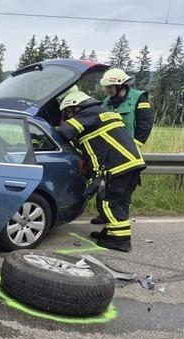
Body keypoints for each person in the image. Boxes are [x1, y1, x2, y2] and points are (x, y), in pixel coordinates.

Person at [57, 90, 145, 252]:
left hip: (117, 167)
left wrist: (54, 127)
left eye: (68, 112)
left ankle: (120, 241)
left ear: (75, 107)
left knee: (109, 203)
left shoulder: (89, 113)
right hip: (131, 164)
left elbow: (65, 131)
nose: (68, 116)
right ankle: (114, 232)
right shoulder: (102, 113)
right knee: (121, 201)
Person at [89, 68, 153, 224]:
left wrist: (132, 147)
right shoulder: (106, 101)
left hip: (128, 153)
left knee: (122, 190)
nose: (107, 90)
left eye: (109, 87)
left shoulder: (139, 98)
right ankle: (104, 214)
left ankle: (119, 219)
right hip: (110, 153)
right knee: (105, 184)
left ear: (120, 85)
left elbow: (145, 126)